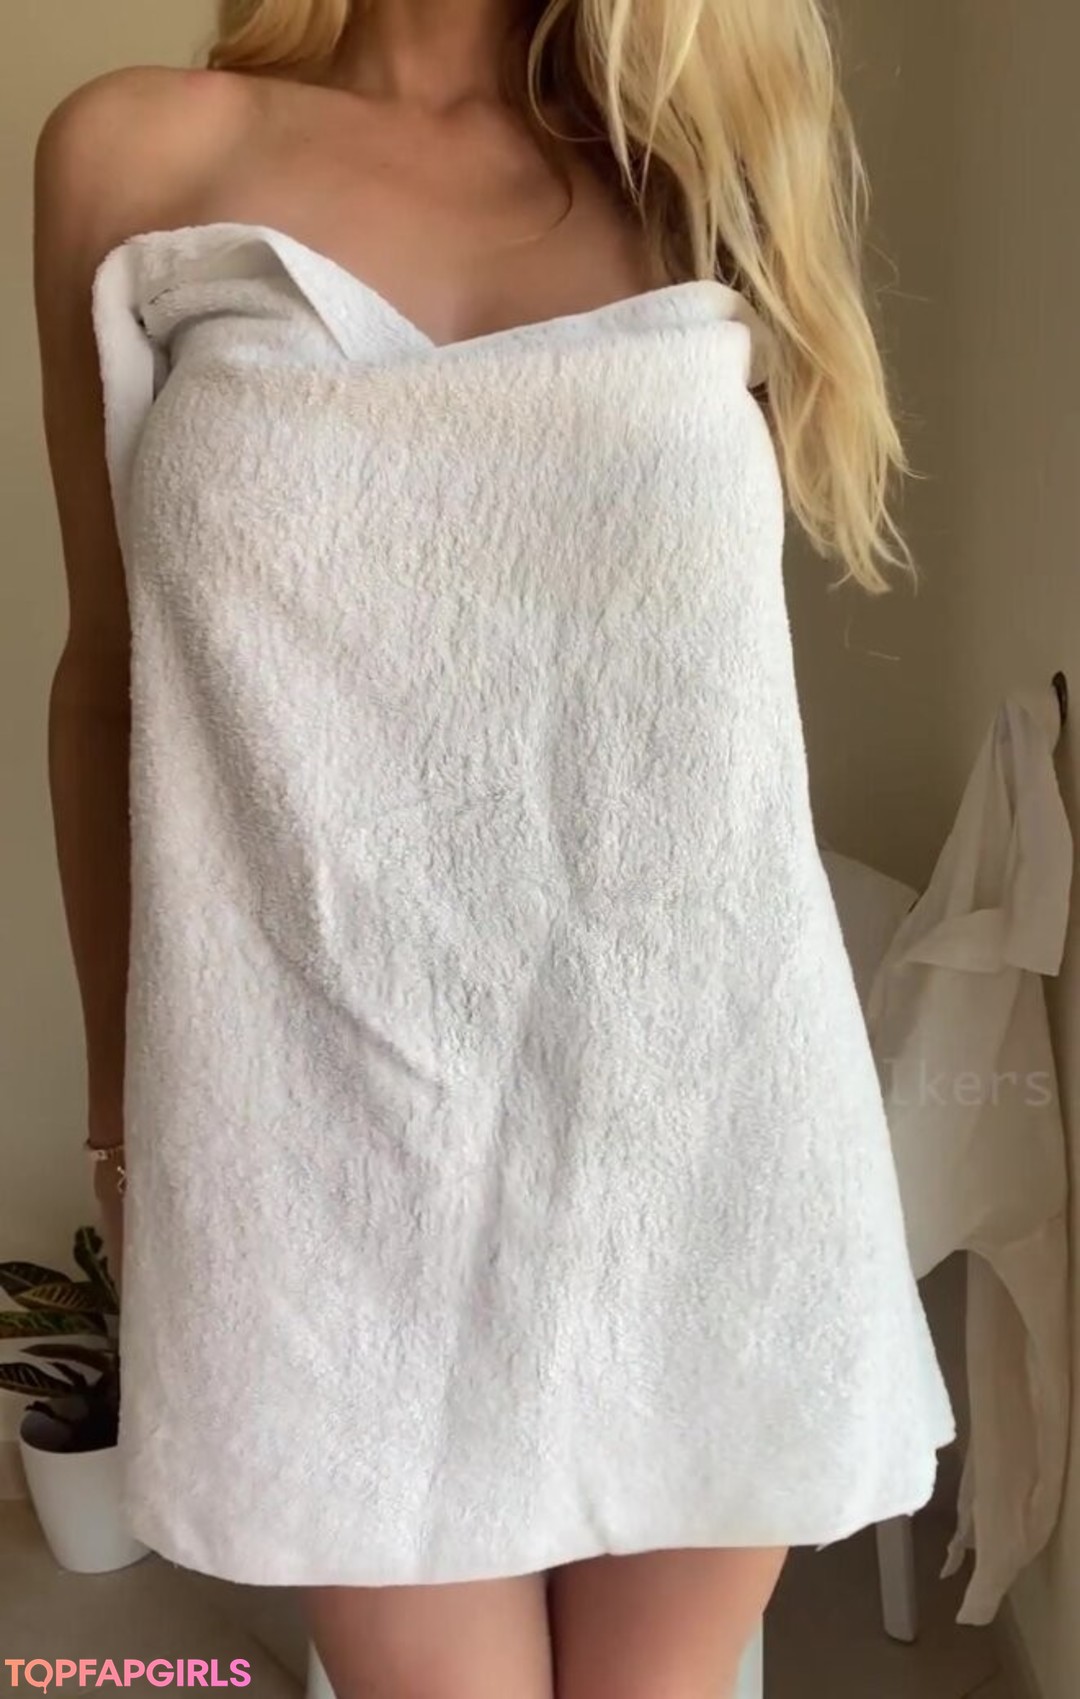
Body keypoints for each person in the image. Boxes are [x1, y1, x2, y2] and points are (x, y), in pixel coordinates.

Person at [34, 1, 955, 1695]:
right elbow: (108, 692)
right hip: (316, 1154)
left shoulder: (707, 167)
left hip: (707, 1145)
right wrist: (123, 1127)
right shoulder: (137, 155)